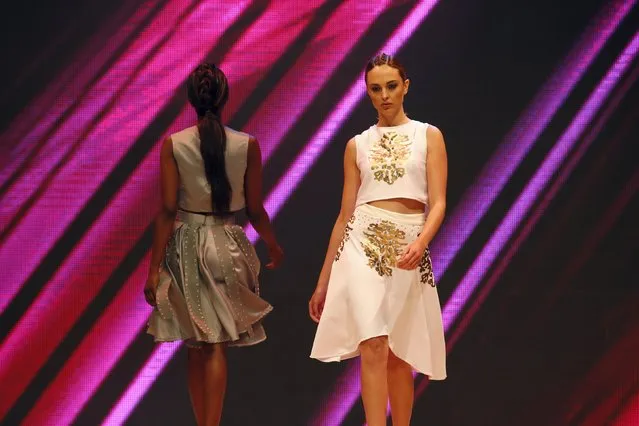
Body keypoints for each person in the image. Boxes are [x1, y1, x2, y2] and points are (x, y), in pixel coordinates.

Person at [309, 53, 447, 426]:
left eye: (390, 86)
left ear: (405, 87)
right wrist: (324, 282)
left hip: (409, 246)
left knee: (400, 353)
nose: (384, 95)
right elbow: (344, 215)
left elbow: (438, 203)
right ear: (367, 94)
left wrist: (421, 242)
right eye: (375, 88)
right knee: (373, 344)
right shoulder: (356, 145)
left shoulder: (428, 135)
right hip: (362, 244)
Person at [144, 63, 283, 426]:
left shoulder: (174, 144)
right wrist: (272, 245)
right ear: (224, 98)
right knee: (215, 342)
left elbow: (167, 210)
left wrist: (153, 268)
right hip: (227, 243)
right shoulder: (247, 144)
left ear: (191, 99)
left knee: (197, 342)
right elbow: (255, 210)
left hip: (188, 244)